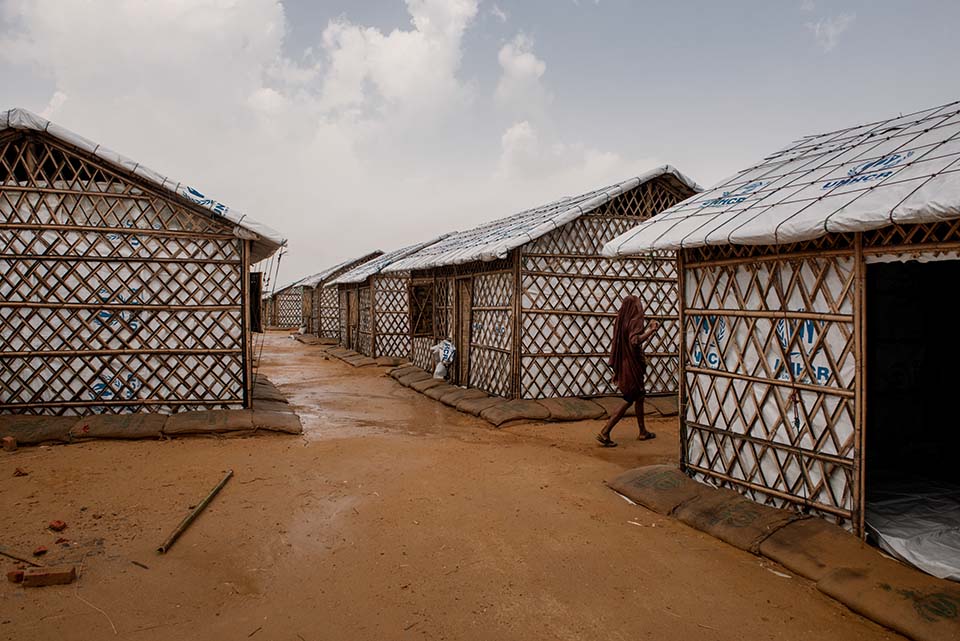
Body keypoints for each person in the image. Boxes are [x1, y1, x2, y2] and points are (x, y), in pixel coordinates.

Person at [596, 295, 659, 447]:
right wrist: (651, 331)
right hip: (632, 365)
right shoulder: (635, 320)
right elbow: (634, 341)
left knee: (640, 395)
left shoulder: (621, 320)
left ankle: (642, 431)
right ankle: (605, 431)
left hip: (625, 363)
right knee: (629, 398)